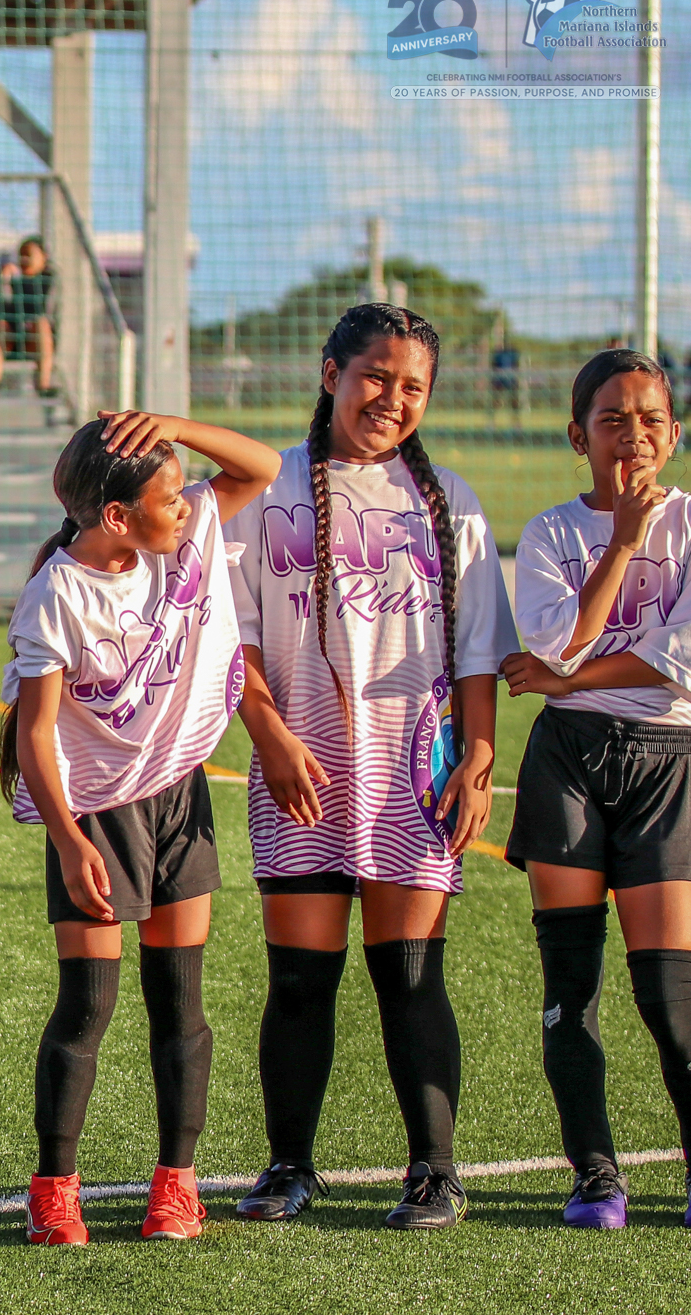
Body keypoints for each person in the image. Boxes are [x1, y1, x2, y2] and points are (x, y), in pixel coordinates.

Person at [224, 303, 517, 1231]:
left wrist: (476, 759)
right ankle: (288, 1166)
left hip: (409, 775)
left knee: (411, 972)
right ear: (329, 373)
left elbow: (476, 653)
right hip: (300, 769)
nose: (391, 398)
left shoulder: (448, 500)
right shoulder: (268, 491)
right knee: (301, 980)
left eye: (412, 385)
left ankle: (434, 1170)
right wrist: (267, 734)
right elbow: (234, 639)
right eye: (375, 376)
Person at [2, 412, 280, 1245]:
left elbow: (259, 464)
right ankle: (54, 1188)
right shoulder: (57, 590)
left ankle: (176, 1184)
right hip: (97, 811)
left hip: (178, 791)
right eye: (170, 499)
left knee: (180, 1000)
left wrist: (170, 426)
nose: (189, 510)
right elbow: (35, 731)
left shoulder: (183, 541)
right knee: (87, 1003)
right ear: (116, 516)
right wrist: (69, 837)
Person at [500, 349, 691, 1229]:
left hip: (669, 763)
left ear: (676, 433)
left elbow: (675, 671)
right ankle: (596, 1174)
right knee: (569, 984)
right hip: (568, 759)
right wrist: (619, 544)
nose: (635, 435)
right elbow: (556, 643)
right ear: (580, 436)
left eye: (651, 418)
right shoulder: (549, 534)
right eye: (613, 419)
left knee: (668, 992)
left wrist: (566, 675)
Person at [0, 237, 55, 398]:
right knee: (0, 327)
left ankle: (43, 384)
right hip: (14, 338)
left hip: (41, 340)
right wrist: (4, 282)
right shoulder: (13, 280)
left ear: (43, 257)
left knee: (41, 324)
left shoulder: (51, 280)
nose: (24, 259)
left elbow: (46, 311)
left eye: (29, 254)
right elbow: (0, 310)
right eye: (21, 255)